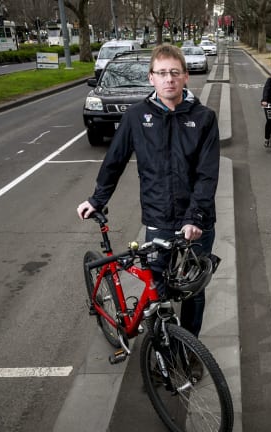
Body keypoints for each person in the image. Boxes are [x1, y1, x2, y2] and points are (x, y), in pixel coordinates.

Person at [76, 43, 220, 338]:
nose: (169, 79)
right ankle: (162, 345)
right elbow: (114, 160)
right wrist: (97, 199)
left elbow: (207, 176)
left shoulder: (204, 118)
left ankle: (189, 347)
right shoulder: (136, 116)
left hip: (198, 222)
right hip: (158, 219)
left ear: (185, 76)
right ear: (151, 77)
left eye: (175, 73)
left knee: (193, 290)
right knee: (157, 288)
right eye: (162, 73)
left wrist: (194, 217)